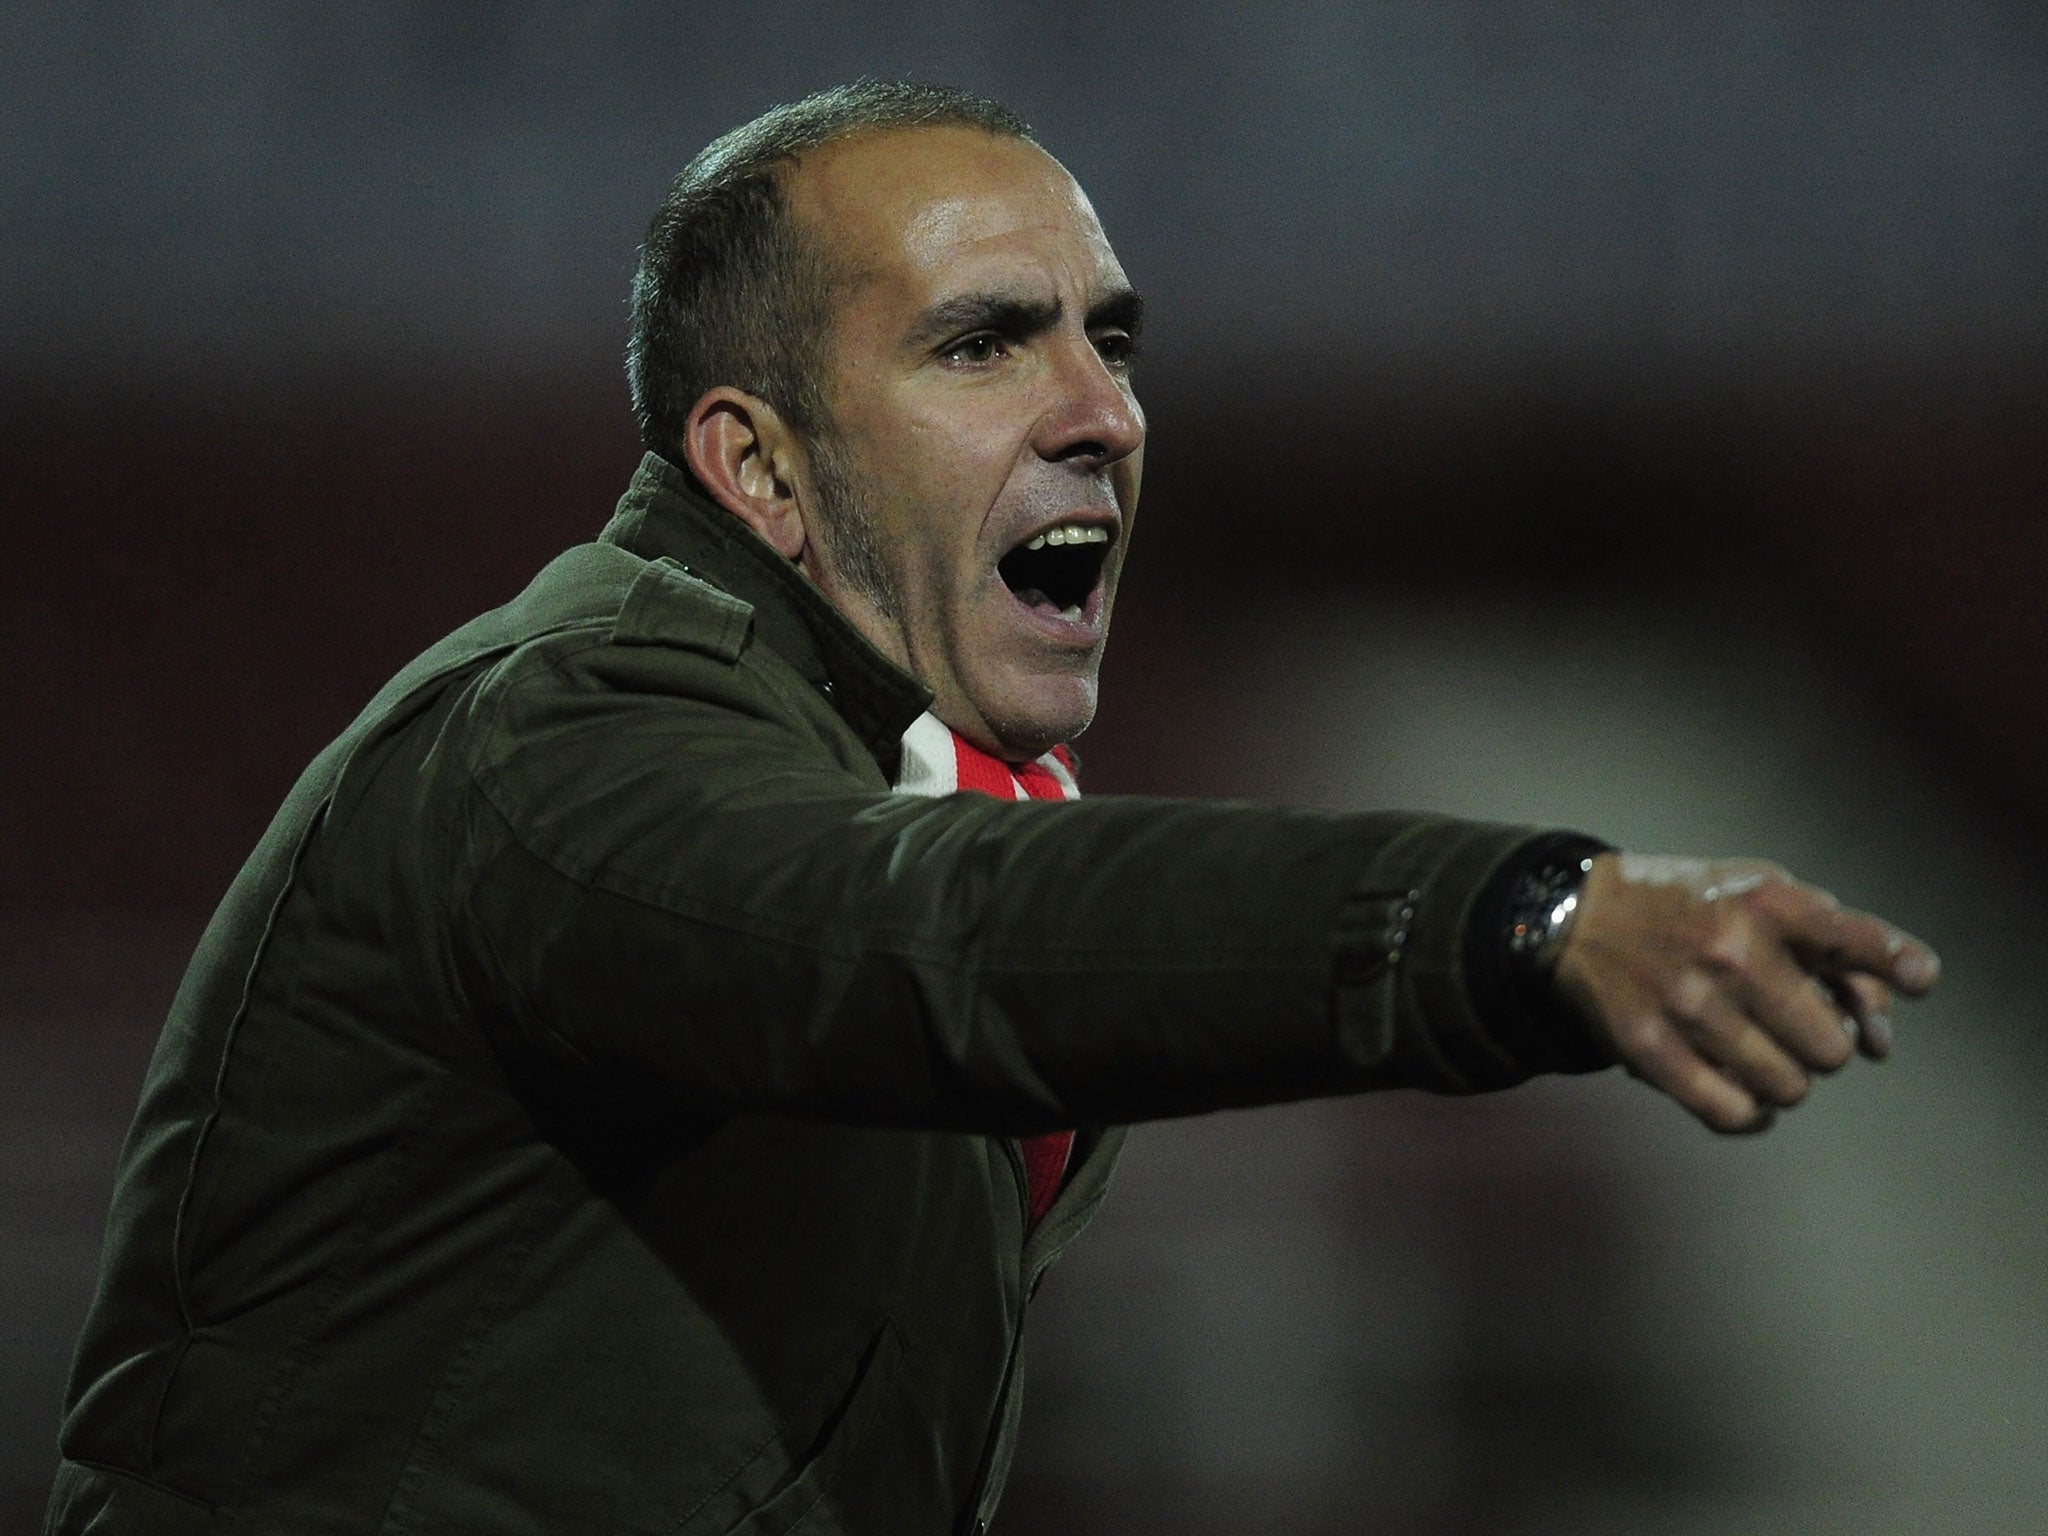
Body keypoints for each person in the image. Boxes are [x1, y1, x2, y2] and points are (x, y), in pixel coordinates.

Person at [47, 81, 1938, 1536]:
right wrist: (1512, 922)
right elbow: (942, 932)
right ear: (758, 467)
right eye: (982, 342)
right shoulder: (563, 738)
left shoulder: (883, 748)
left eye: (1110, 337)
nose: (1101, 408)